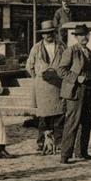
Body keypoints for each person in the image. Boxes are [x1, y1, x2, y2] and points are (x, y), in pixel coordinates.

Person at [58, 24, 91, 164]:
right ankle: (65, 155)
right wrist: (76, 77)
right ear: (76, 37)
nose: (84, 37)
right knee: (72, 123)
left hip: (88, 90)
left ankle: (81, 152)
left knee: (86, 122)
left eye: (86, 34)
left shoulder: (89, 52)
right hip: (75, 91)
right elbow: (61, 70)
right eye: (81, 35)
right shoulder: (71, 51)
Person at [26, 20, 65, 153]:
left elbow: (66, 63)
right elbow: (29, 66)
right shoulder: (36, 48)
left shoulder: (61, 46)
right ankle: (41, 142)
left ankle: (59, 142)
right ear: (42, 35)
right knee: (43, 117)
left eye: (50, 32)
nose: (48, 35)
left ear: (54, 33)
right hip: (42, 87)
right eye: (45, 33)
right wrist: (38, 79)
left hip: (57, 85)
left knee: (59, 115)